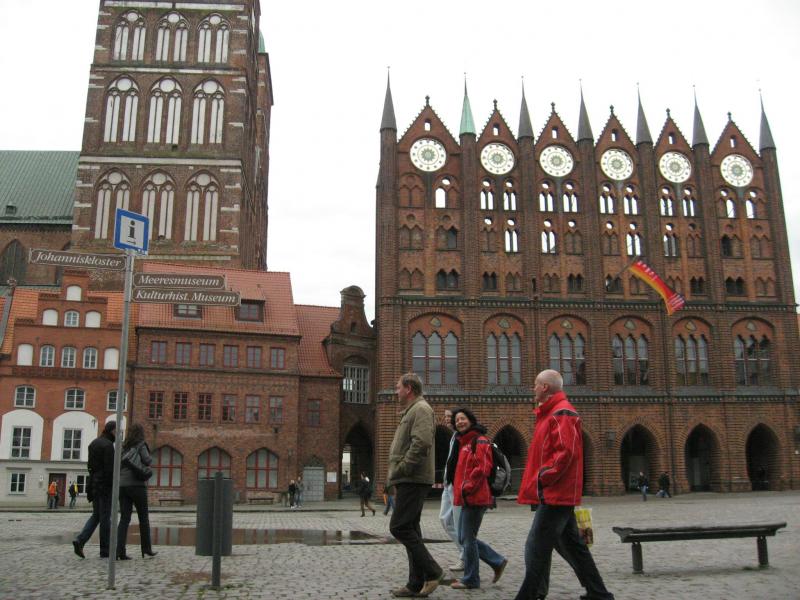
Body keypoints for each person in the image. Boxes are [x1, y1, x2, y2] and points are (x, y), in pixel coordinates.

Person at [514, 370, 614, 600]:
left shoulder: (562, 413)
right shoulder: (551, 413)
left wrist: (542, 478)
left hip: (556, 493)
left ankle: (528, 595)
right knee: (574, 546)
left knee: (536, 547)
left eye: (536, 384)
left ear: (545, 387)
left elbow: (565, 453)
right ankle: (599, 594)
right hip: (555, 492)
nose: (533, 388)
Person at [387, 372, 443, 598]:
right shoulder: (412, 410)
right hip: (408, 478)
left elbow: (421, 443)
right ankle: (415, 583)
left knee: (399, 527)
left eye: (398, 387)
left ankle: (433, 571)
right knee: (411, 528)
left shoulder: (421, 409)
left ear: (409, 388)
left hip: (413, 477)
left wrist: (403, 468)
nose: (396, 391)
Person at [449, 407, 507, 590]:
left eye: (463, 418)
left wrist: (466, 488)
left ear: (471, 420)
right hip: (467, 497)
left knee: (468, 538)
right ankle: (496, 561)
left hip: (476, 496)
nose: (460, 422)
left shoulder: (479, 441)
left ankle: (471, 578)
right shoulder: (464, 442)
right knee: (464, 537)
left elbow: (483, 468)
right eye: (457, 420)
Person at [73, 421, 116, 559]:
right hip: (104, 485)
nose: (118, 434)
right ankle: (105, 550)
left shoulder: (94, 443)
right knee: (105, 517)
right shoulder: (108, 446)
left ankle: (80, 540)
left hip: (95, 483)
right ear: (112, 430)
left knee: (96, 515)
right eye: (117, 431)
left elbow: (90, 466)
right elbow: (109, 469)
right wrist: (112, 486)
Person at [116, 423, 156, 560]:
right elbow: (147, 460)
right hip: (137, 485)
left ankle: (119, 550)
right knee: (143, 518)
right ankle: (146, 549)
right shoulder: (140, 445)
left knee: (124, 519)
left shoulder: (123, 447)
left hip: (122, 486)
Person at [439, 408, 465, 572]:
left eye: (450, 416)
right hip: (448, 484)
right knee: (445, 520)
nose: (447, 419)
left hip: (457, 486)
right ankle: (466, 552)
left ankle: (465, 555)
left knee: (459, 524)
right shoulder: (454, 437)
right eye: (446, 416)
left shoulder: (463, 437)